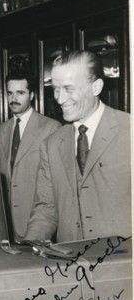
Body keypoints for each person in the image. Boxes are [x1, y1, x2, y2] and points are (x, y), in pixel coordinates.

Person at [25, 49, 131, 243]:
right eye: (55, 89)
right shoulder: (51, 144)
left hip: (121, 265)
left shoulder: (129, 131)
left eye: (68, 88)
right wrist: (29, 248)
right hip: (71, 267)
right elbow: (46, 209)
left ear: (96, 87)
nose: (59, 98)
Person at [0, 70, 60, 240]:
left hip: (37, 224)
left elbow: (56, 186)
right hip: (6, 225)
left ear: (32, 95)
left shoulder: (51, 128)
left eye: (20, 93)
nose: (13, 98)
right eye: (10, 93)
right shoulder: (0, 131)